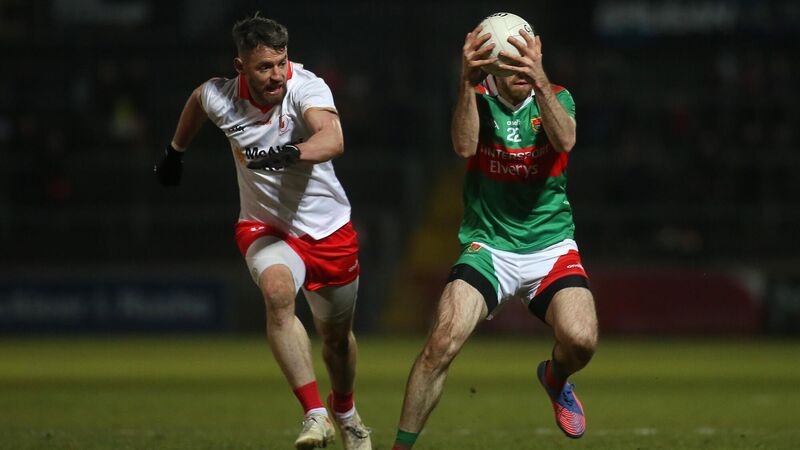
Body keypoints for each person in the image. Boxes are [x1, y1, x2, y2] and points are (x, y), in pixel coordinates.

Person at [154, 14, 371, 450]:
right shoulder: (221, 95)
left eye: (281, 62)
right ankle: (315, 414)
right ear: (241, 67)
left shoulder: (306, 87)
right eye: (264, 67)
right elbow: (198, 101)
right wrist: (175, 151)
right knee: (277, 292)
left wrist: (292, 152)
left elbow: (333, 138)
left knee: (336, 340)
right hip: (265, 226)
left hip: (328, 230)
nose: (276, 75)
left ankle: (346, 412)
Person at [391, 21, 598, 449]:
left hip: (551, 247)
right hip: (489, 247)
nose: (520, 70)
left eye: (526, 61)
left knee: (581, 341)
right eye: (510, 64)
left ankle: (555, 377)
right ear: (492, 67)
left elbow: (566, 140)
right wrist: (465, 84)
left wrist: (539, 78)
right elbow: (464, 147)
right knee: (440, 344)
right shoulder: (479, 99)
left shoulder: (557, 96)